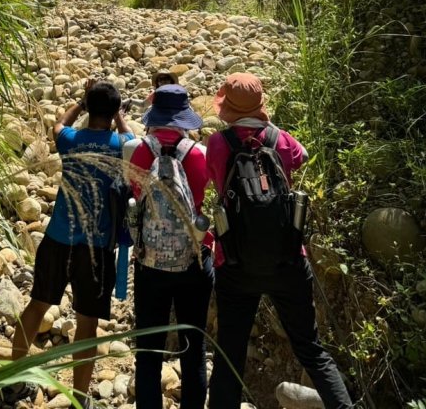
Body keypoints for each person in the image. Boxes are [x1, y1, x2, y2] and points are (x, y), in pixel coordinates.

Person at [206, 73, 353, 409]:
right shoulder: (282, 139)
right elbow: (299, 159)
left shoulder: (217, 145)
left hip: (234, 262)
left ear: (225, 105)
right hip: (288, 258)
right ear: (261, 104)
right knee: (311, 350)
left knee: (230, 353)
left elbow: (217, 181)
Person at [9, 79, 133, 407]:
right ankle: (79, 397)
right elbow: (133, 139)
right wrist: (120, 118)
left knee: (37, 304)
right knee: (87, 323)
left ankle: (11, 381)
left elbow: (59, 125)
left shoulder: (70, 141)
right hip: (95, 248)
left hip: (58, 238)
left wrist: (78, 102)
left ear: (89, 110)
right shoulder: (120, 145)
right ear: (114, 111)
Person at [124, 84, 214, 409]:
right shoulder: (199, 154)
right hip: (193, 262)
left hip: (150, 264)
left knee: (148, 352)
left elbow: (132, 199)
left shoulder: (136, 151)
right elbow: (207, 206)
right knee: (194, 351)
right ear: (184, 118)